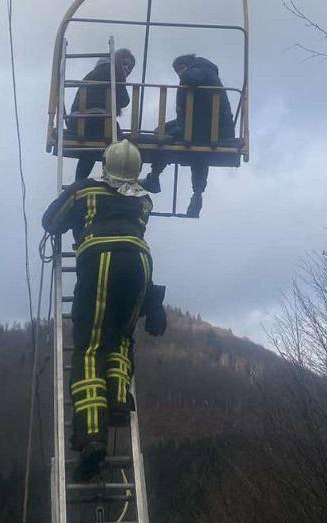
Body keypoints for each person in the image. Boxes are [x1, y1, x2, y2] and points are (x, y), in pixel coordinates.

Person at [42, 139, 157, 480]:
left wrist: (72, 194)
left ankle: (92, 437)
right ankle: (118, 399)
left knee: (90, 348)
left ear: (105, 165)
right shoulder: (144, 201)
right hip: (140, 265)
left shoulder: (86, 192)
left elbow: (51, 221)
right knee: (120, 336)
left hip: (101, 261)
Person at [142, 54, 235, 218]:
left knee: (165, 139)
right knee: (190, 148)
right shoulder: (205, 71)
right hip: (207, 124)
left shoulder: (200, 69)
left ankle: (154, 177)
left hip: (207, 127)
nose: (179, 74)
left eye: (180, 69)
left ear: (188, 64)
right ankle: (196, 193)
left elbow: (191, 78)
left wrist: (184, 74)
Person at [67, 48, 136, 181]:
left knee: (93, 149)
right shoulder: (111, 70)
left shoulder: (99, 70)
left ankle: (80, 181)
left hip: (78, 119)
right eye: (124, 64)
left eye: (129, 67)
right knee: (118, 145)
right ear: (117, 60)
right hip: (93, 118)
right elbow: (125, 100)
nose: (126, 69)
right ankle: (113, 177)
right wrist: (121, 79)